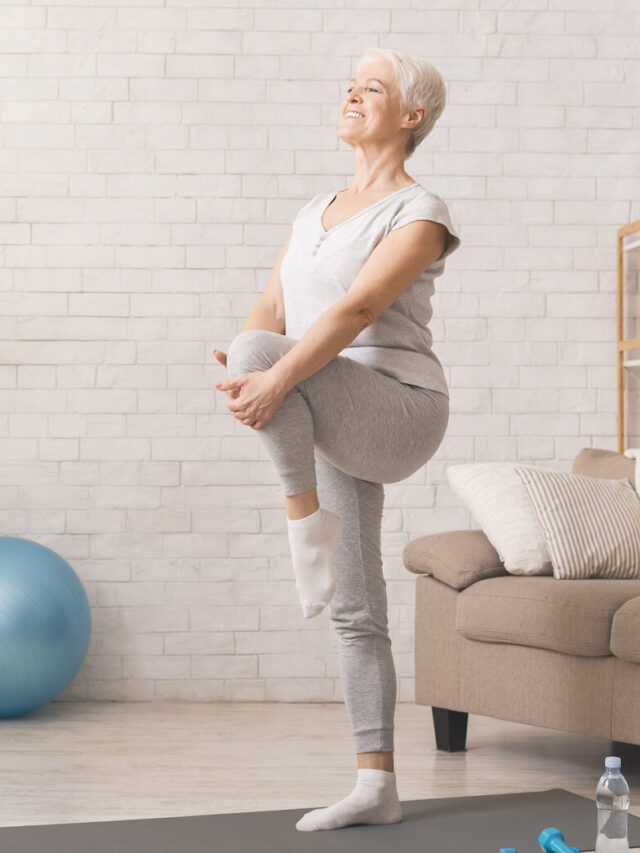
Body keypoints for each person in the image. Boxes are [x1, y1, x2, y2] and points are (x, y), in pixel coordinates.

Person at [213, 47, 461, 832]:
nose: (352, 96)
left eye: (373, 89)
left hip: (399, 407)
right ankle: (376, 783)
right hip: (328, 403)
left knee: (263, 358)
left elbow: (356, 312)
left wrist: (270, 375)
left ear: (411, 116)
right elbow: (269, 307)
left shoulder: (420, 214)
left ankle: (300, 517)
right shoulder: (312, 211)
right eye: (350, 86)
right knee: (356, 608)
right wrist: (248, 377)